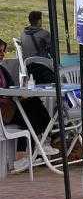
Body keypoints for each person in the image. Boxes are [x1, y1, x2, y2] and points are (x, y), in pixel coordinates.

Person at [0, 39, 57, 169]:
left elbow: (11, 87)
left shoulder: (2, 69)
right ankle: (42, 143)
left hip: (9, 105)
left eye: (3, 51)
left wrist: (19, 96)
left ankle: (43, 143)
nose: (2, 54)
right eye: (0, 51)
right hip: (3, 111)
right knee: (30, 114)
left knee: (33, 102)